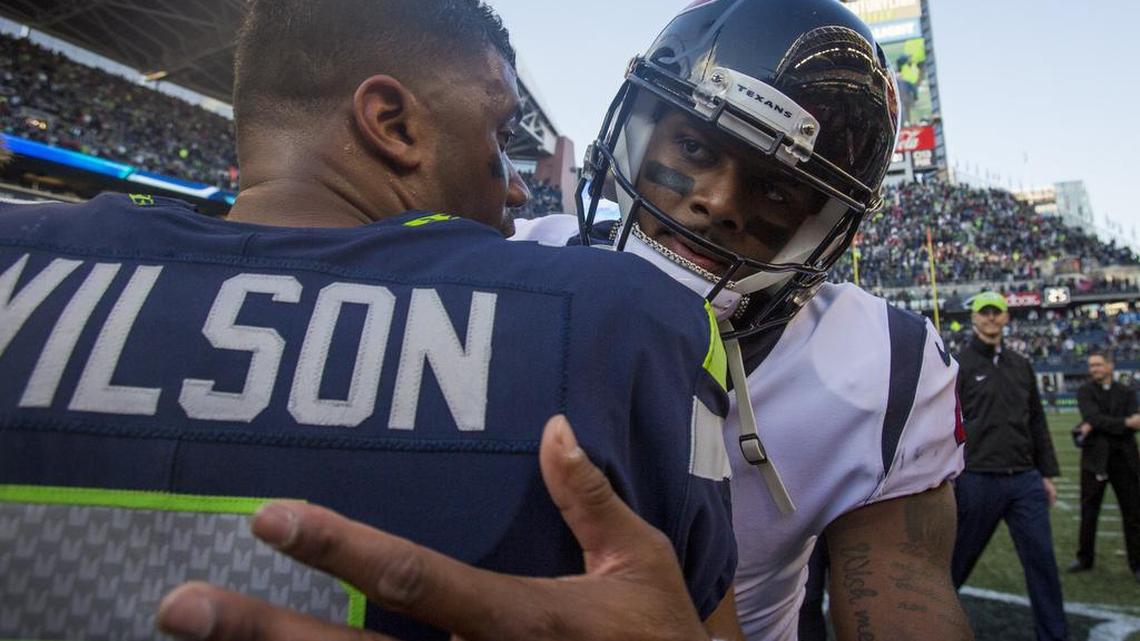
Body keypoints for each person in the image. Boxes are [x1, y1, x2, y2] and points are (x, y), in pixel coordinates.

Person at [0, 1, 738, 639]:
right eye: (500, 134)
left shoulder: (19, 269)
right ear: (392, 124)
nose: (517, 189)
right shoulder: (620, 321)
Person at [514, 1, 970, 639]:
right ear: (636, 135)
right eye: (696, 145)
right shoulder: (508, 263)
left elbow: (908, 599)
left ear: (820, 226)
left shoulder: (882, 365)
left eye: (777, 188)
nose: (719, 202)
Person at [952, 291, 1068, 641]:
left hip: (1024, 480)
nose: (990, 319)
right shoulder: (959, 365)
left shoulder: (1021, 364)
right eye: (984, 313)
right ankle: (929, 626)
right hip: (977, 479)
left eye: (996, 313)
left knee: (1042, 564)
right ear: (974, 317)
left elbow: (1036, 421)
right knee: (954, 564)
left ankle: (1055, 635)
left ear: (1005, 318)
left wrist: (1046, 474)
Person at [1069, 351, 1140, 582]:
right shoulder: (1085, 391)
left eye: (1099, 364)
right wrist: (1123, 423)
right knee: (1089, 512)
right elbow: (1093, 417)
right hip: (1095, 460)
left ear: (1110, 366)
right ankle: (1084, 558)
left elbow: (1131, 422)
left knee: (1133, 514)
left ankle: (1137, 563)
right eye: (1092, 365)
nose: (1094, 369)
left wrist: (1099, 424)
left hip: (1126, 462)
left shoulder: (1127, 391)